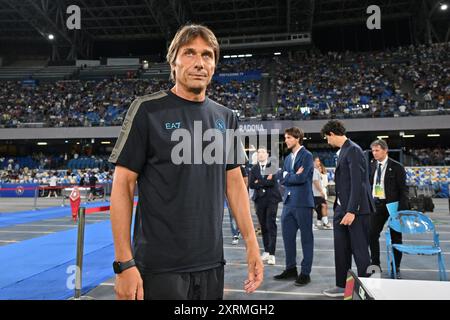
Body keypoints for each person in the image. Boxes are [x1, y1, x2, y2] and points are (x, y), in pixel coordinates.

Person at [109, 24, 263, 300]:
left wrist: (252, 244)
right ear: (174, 61)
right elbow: (123, 185)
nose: (199, 63)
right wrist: (124, 263)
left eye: (207, 55)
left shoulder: (226, 116)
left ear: (214, 65)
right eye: (189, 53)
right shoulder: (147, 110)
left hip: (212, 264)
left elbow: (234, 184)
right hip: (159, 268)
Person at [321, 120, 375, 298]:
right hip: (341, 208)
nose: (327, 142)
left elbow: (358, 183)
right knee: (341, 249)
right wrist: (341, 208)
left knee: (360, 252)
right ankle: (342, 286)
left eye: (326, 138)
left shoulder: (353, 149)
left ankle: (367, 288)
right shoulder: (344, 150)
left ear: (332, 134)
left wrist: (352, 210)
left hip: (355, 210)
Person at [274, 127, 314, 287]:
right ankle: (291, 269)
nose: (286, 140)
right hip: (288, 203)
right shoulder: (289, 157)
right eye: (285, 138)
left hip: (303, 202)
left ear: (298, 138)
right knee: (288, 238)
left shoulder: (307, 155)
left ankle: (305, 273)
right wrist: (290, 175)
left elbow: (302, 178)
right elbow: (281, 178)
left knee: (306, 239)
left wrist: (287, 176)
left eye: (289, 137)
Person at [369, 139, 408, 278]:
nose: (374, 153)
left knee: (396, 237)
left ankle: (395, 265)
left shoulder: (397, 167)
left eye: (377, 150)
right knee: (371, 235)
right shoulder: (372, 165)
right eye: (373, 150)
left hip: (392, 206)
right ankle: (375, 264)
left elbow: (404, 190)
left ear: (385, 150)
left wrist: (401, 211)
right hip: (376, 205)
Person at [249, 147, 282, 266]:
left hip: (272, 199)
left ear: (267, 154)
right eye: (258, 152)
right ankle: (267, 251)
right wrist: (263, 180)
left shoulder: (272, 167)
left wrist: (260, 181)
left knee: (271, 224)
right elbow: (251, 184)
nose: (260, 154)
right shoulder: (254, 168)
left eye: (263, 152)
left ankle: (272, 254)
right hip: (259, 200)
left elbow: (272, 182)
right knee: (263, 226)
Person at [228, 165, 248, 245]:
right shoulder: (226, 168)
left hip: (239, 195)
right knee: (232, 216)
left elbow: (246, 181)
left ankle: (239, 229)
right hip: (230, 195)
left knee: (239, 215)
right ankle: (235, 235)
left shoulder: (241, 168)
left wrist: (242, 194)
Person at [312, 157, 332, 230]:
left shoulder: (317, 170)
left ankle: (324, 222)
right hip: (315, 193)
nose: (319, 163)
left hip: (317, 193)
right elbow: (315, 181)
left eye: (319, 161)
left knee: (323, 206)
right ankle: (310, 224)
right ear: (313, 162)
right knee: (313, 208)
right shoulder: (314, 170)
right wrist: (321, 191)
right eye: (317, 161)